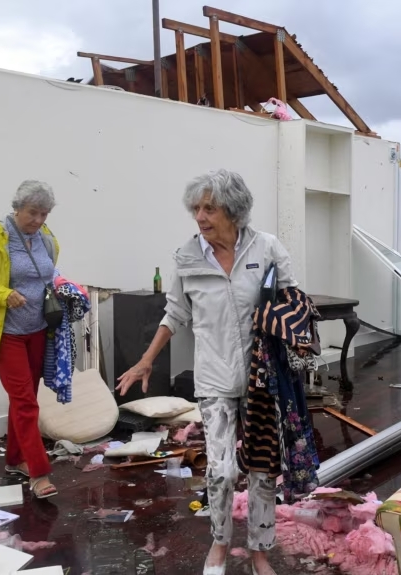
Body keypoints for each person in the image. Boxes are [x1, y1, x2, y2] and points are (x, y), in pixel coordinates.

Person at [117, 169, 296, 575]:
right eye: (196, 208)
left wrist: (291, 339)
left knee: (263, 469)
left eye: (209, 208)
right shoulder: (187, 256)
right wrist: (147, 358)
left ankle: (259, 552)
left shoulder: (266, 248)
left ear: (232, 211)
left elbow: (291, 299)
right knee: (220, 469)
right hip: (214, 377)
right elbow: (176, 312)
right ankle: (218, 544)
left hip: (261, 380)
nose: (200, 216)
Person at [0, 179, 60, 500]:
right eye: (33, 213)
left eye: (44, 214)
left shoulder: (46, 238)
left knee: (26, 398)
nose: (38, 220)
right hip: (6, 333)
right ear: (17, 208)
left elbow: (49, 275)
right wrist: (3, 294)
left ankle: (15, 459)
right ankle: (38, 471)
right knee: (25, 401)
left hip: (37, 330)